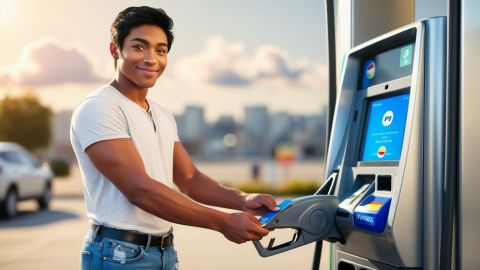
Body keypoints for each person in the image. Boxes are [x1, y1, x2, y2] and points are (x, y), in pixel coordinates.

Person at [70, 6, 278, 270]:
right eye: (139, 47)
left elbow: (190, 179)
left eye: (161, 50)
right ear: (115, 50)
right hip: (118, 255)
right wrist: (222, 222)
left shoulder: (161, 113)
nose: (151, 59)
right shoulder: (99, 107)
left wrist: (243, 200)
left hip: (163, 252)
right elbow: (139, 189)